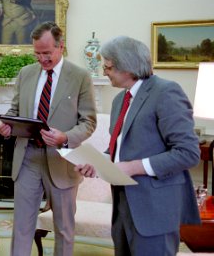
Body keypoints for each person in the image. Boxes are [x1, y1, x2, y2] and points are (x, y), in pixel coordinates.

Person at [75, 36, 201, 256]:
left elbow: (188, 153)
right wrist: (97, 164)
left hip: (155, 208)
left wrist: (132, 167)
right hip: (123, 205)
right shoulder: (119, 101)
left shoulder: (166, 92)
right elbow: (119, 150)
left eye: (109, 67)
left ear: (128, 67)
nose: (105, 72)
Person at [0, 21, 97, 256]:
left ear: (61, 46)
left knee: (63, 228)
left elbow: (89, 121)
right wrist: (8, 125)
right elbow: (15, 110)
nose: (41, 59)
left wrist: (65, 136)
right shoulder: (26, 73)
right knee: (21, 227)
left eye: (47, 53)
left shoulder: (80, 76)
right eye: (37, 53)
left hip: (62, 160)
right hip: (27, 158)